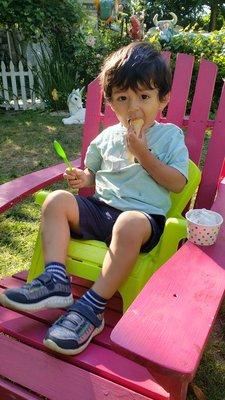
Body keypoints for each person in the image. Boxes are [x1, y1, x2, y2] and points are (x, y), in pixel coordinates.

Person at [0, 42, 189, 355]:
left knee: (127, 223)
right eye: (123, 98)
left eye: (144, 96)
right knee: (57, 200)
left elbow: (178, 183)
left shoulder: (169, 138)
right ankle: (56, 280)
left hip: (141, 222)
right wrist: (82, 179)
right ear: (111, 103)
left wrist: (142, 152)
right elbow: (93, 174)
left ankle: (92, 307)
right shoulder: (106, 138)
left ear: (163, 99)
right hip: (102, 211)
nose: (134, 108)